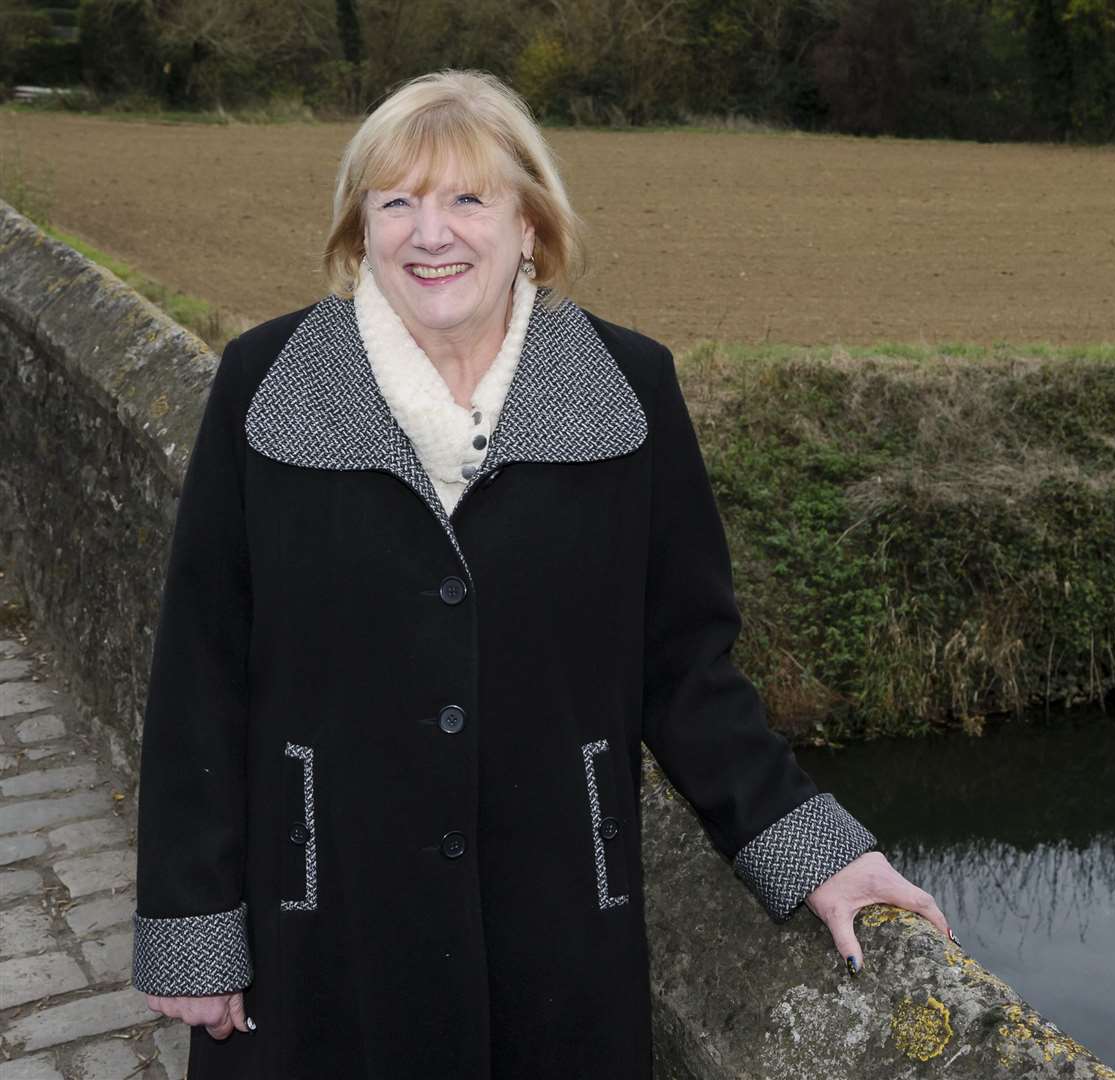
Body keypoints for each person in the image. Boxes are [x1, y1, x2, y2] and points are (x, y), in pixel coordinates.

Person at [129, 68, 951, 1079]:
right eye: (398, 202)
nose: (432, 234)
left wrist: (809, 847)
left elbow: (684, 662)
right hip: (320, 921)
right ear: (359, 232)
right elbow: (200, 667)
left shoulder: (628, 388)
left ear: (528, 225)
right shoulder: (266, 385)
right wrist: (190, 920)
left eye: (468, 199)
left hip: (558, 929)